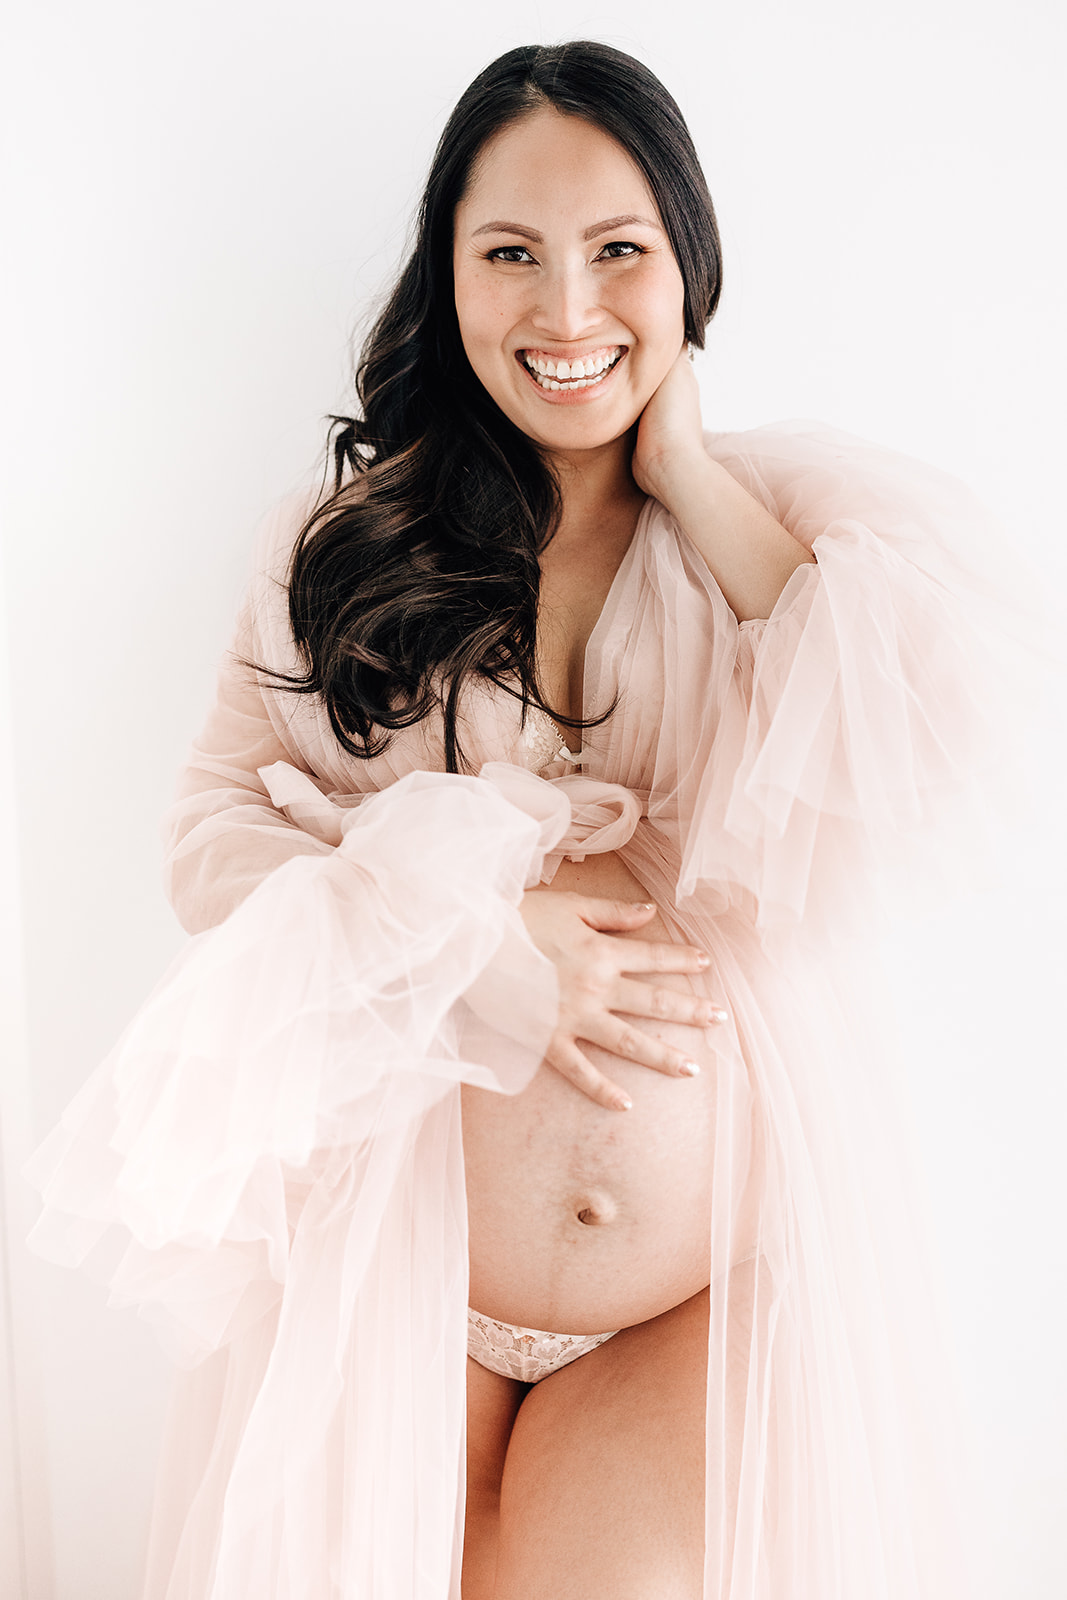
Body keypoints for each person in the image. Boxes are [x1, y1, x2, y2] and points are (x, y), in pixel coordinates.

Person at [28, 39, 1020, 1600]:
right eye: (512, 255)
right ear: (452, 277)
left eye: (619, 252)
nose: (566, 312)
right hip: (396, 1282)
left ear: (688, 264)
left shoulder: (788, 537)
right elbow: (211, 839)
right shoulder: (349, 547)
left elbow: (924, 757)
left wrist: (684, 470)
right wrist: (464, 935)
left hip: (684, 1302)